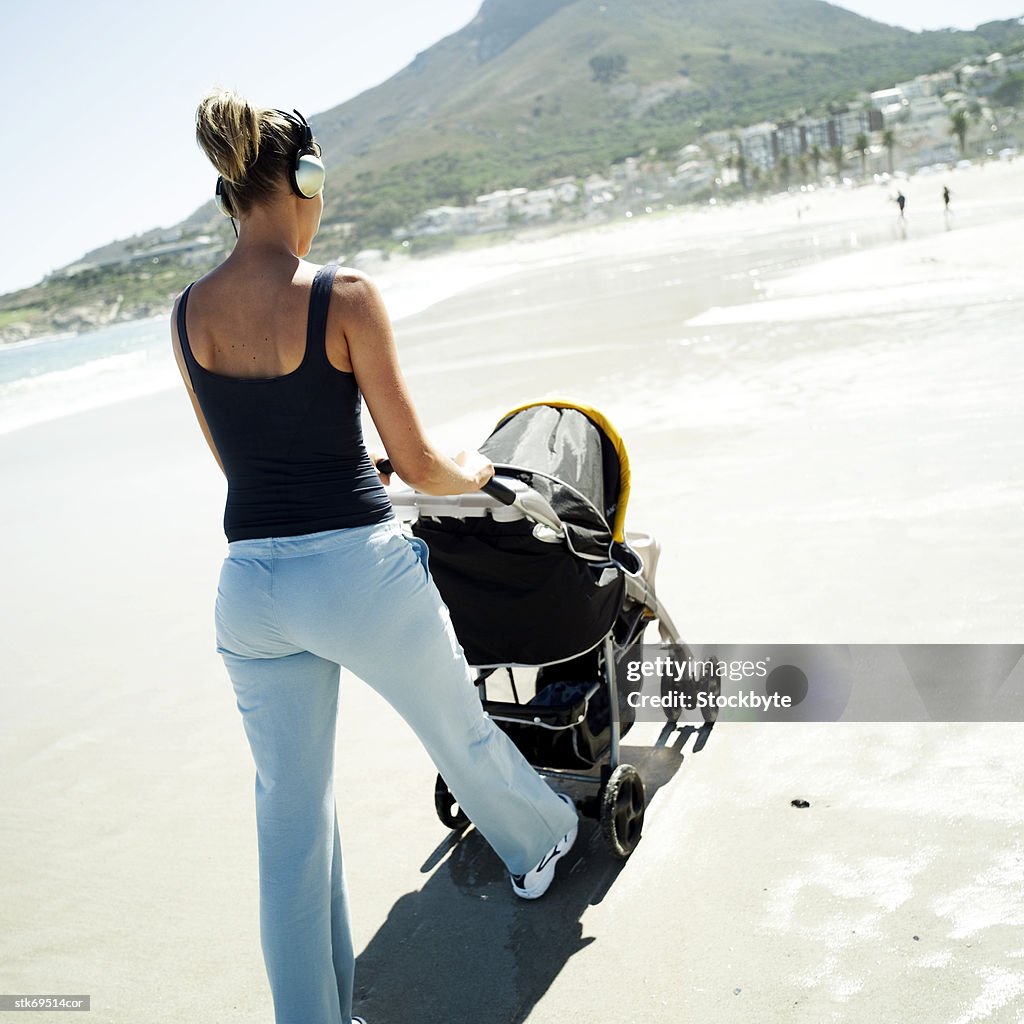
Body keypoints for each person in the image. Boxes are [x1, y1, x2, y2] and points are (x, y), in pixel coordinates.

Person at [171, 89, 578, 1024]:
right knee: (459, 731)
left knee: (289, 820)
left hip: (250, 592)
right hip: (356, 574)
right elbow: (426, 464)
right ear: (306, 179)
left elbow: (232, 455)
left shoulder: (187, 314)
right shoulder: (342, 296)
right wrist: (474, 466)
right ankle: (541, 844)